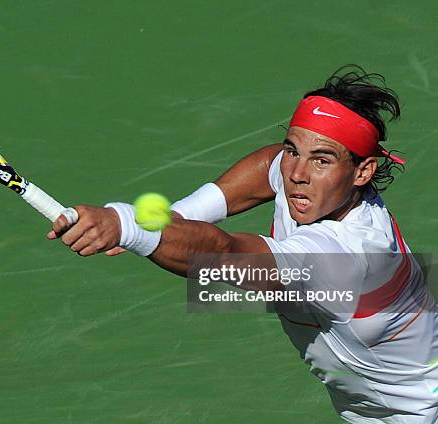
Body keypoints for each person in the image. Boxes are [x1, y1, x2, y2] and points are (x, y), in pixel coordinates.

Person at [47, 66, 438, 423]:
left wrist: (128, 225)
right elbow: (269, 165)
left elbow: (224, 254)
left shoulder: (349, 256)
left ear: (362, 171)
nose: (297, 174)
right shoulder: (308, 184)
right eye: (294, 150)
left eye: (322, 160)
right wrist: (180, 217)